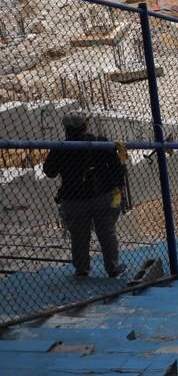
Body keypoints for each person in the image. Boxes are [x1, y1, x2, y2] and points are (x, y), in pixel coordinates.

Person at [41, 113, 126, 278]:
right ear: (85, 126)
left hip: (74, 198)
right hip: (102, 194)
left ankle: (82, 269)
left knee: (79, 236)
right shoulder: (100, 142)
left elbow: (49, 171)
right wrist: (118, 187)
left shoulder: (61, 147)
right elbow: (117, 167)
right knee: (107, 232)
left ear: (66, 129)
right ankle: (113, 267)